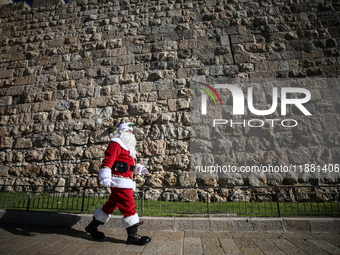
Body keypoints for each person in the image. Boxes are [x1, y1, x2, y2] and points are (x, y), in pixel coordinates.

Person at [85, 122, 151, 245]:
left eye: (131, 132)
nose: (131, 134)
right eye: (128, 131)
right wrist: (105, 176)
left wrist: (138, 168)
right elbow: (108, 160)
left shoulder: (128, 147)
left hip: (126, 180)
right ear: (122, 132)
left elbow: (127, 163)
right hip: (119, 181)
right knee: (129, 206)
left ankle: (91, 227)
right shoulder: (116, 143)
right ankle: (132, 237)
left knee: (110, 206)